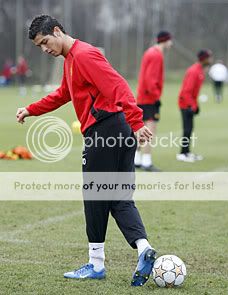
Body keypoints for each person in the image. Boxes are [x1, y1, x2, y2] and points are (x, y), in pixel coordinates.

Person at [16, 15, 156, 287]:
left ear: (57, 31)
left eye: (46, 42)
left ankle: (96, 264)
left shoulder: (83, 55)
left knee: (94, 196)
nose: (45, 49)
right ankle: (144, 249)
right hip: (118, 129)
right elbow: (62, 95)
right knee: (119, 198)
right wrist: (31, 109)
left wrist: (138, 122)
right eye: (39, 47)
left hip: (106, 130)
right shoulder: (71, 61)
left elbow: (117, 86)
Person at [135, 31, 173, 172]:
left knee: (141, 129)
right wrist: (156, 97)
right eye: (170, 40)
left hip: (143, 96)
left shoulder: (149, 52)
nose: (171, 43)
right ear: (165, 41)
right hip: (149, 98)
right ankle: (146, 161)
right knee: (150, 130)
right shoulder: (156, 54)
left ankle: (136, 159)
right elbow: (151, 80)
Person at [176, 49, 213, 163]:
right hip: (185, 103)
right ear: (204, 59)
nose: (211, 59)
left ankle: (187, 152)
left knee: (190, 129)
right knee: (187, 129)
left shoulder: (199, 70)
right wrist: (192, 106)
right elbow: (186, 91)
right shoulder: (194, 71)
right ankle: (182, 153)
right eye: (209, 57)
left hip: (190, 103)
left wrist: (196, 105)